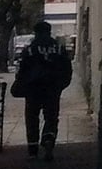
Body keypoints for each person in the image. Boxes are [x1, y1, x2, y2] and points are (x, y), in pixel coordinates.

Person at [12, 22, 72, 160]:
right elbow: (67, 68)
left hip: (33, 88)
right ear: (49, 32)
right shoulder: (59, 48)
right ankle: (48, 138)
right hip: (52, 87)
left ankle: (33, 150)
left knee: (32, 118)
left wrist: (23, 84)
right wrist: (61, 85)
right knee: (51, 116)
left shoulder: (30, 49)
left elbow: (22, 70)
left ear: (36, 32)